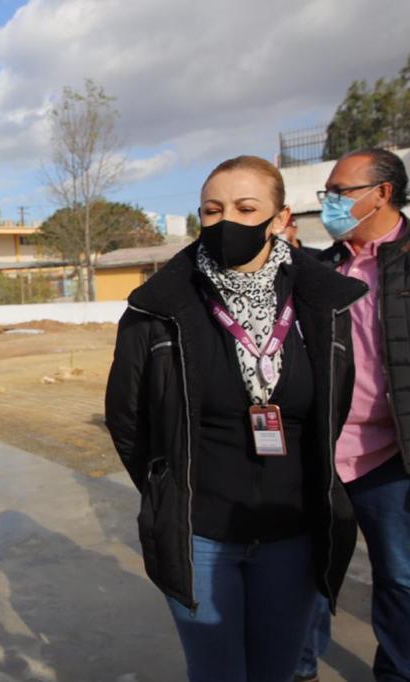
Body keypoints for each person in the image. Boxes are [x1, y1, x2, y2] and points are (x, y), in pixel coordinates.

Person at [105, 155, 367, 682]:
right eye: (211, 210)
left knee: (277, 671)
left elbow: (331, 413)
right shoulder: (156, 312)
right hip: (201, 536)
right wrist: (165, 487)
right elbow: (128, 421)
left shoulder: (322, 306)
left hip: (292, 537)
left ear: (279, 219)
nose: (226, 221)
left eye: (246, 208)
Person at [295, 148, 410, 682]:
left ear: (382, 192)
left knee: (402, 579)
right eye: (329, 193)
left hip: (394, 458)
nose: (331, 203)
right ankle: (297, 670)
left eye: (341, 191)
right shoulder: (321, 267)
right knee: (308, 576)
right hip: (323, 453)